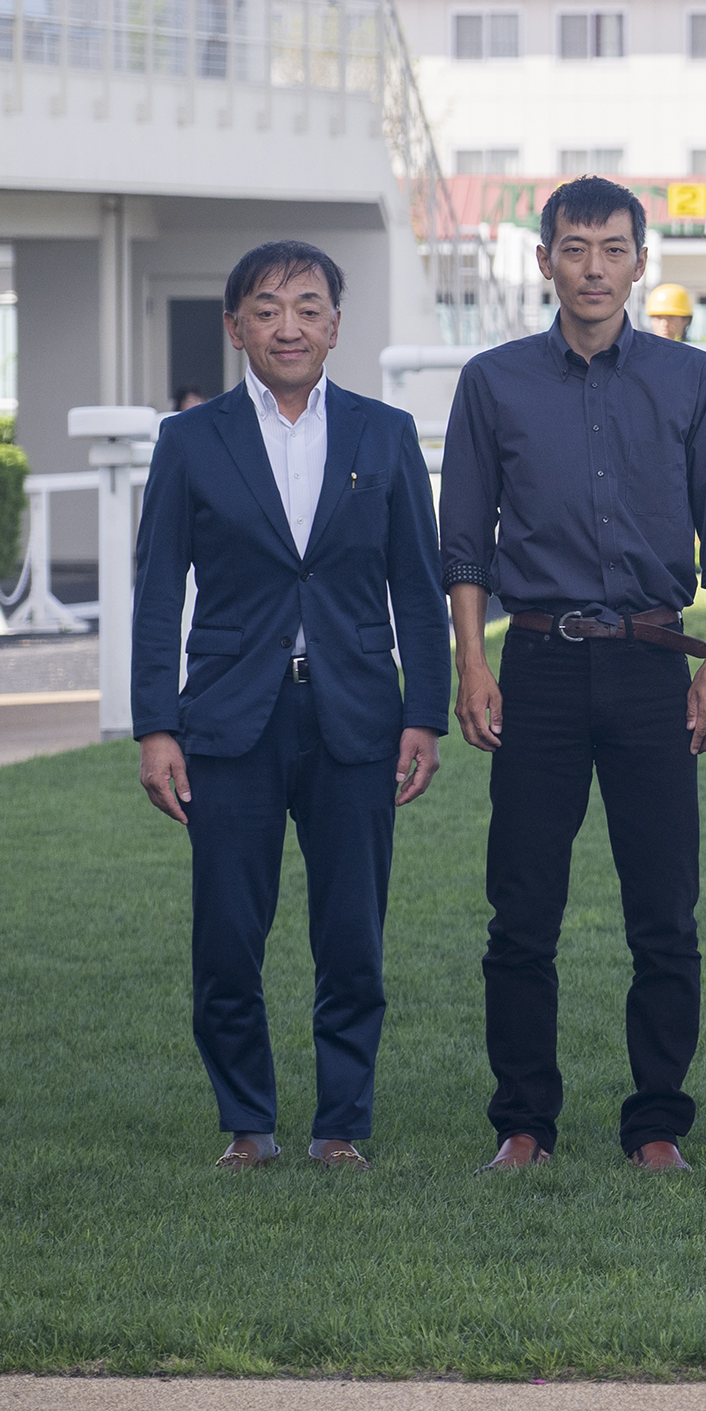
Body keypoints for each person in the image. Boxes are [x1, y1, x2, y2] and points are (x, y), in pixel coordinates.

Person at [437, 176, 706, 1177]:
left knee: (663, 910)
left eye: (612, 249)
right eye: (573, 249)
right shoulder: (493, 382)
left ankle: (656, 1125)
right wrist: (473, 666)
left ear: (639, 261)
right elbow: (464, 540)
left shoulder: (690, 378)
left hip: (657, 668)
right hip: (534, 666)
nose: (592, 268)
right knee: (521, 910)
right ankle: (523, 1122)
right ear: (543, 261)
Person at [130, 239, 448, 1170]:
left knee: (352, 936)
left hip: (356, 716)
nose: (289, 325)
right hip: (230, 719)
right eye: (267, 308)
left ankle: (341, 1124)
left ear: (337, 325)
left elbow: (418, 590)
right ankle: (247, 1122)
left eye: (309, 307)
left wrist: (422, 712)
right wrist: (158, 726)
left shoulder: (383, 434)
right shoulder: (190, 440)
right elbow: (157, 594)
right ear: (236, 326)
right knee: (229, 937)